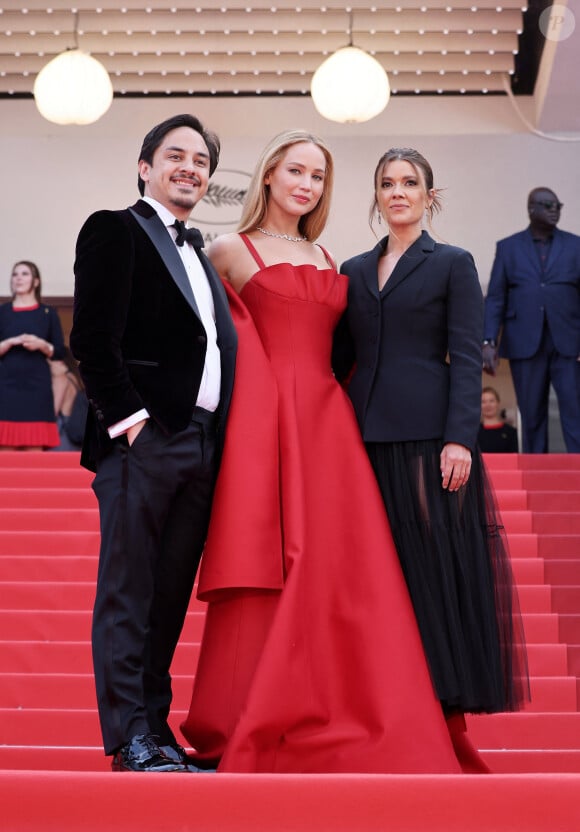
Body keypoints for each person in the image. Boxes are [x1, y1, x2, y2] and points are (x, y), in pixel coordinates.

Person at [180, 130, 465, 775]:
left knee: (343, 569)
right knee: (272, 562)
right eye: (295, 171)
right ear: (270, 175)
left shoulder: (330, 256)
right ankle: (247, 716)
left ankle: (341, 707)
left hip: (329, 422)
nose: (306, 185)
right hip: (264, 420)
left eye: (317, 176)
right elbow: (202, 341)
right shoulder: (227, 248)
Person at [333, 147, 529, 773]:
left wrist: (459, 439)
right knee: (382, 574)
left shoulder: (452, 263)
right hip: (363, 439)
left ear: (429, 195)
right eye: (387, 183)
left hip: (431, 439)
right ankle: (386, 702)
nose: (398, 193)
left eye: (409, 183)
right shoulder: (354, 269)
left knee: (432, 569)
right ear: (376, 194)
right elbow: (337, 359)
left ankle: (440, 708)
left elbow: (467, 358)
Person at [70, 114, 237, 773]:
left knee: (167, 597)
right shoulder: (115, 228)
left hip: (200, 445)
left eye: (201, 160)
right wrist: (130, 425)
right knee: (129, 591)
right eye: (175, 155)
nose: (189, 167)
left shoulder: (197, 250)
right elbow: (92, 341)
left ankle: (156, 734)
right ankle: (127, 738)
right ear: (146, 166)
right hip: (144, 440)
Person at [482, 187, 580, 453]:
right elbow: (495, 297)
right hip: (524, 343)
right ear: (531, 209)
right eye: (547, 205)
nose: (554, 210)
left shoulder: (575, 245)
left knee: (576, 412)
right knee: (532, 416)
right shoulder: (508, 248)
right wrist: (489, 340)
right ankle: (538, 477)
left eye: (557, 205)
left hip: (570, 344)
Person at [0, 261, 64, 450]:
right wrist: (9, 343)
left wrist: (42, 345)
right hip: (6, 386)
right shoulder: (2, 312)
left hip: (37, 386)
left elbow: (59, 351)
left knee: (35, 451)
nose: (18, 278)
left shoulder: (48, 313)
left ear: (35, 282)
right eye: (15, 274)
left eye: (24, 274)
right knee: (5, 452)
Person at [50, 346, 88, 451]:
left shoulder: (61, 378)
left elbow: (53, 411)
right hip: (76, 429)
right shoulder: (76, 379)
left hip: (63, 432)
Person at [478, 386, 518, 453]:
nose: (488, 405)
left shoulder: (511, 432)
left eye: (491, 401)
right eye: (483, 402)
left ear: (498, 403)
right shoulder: (474, 433)